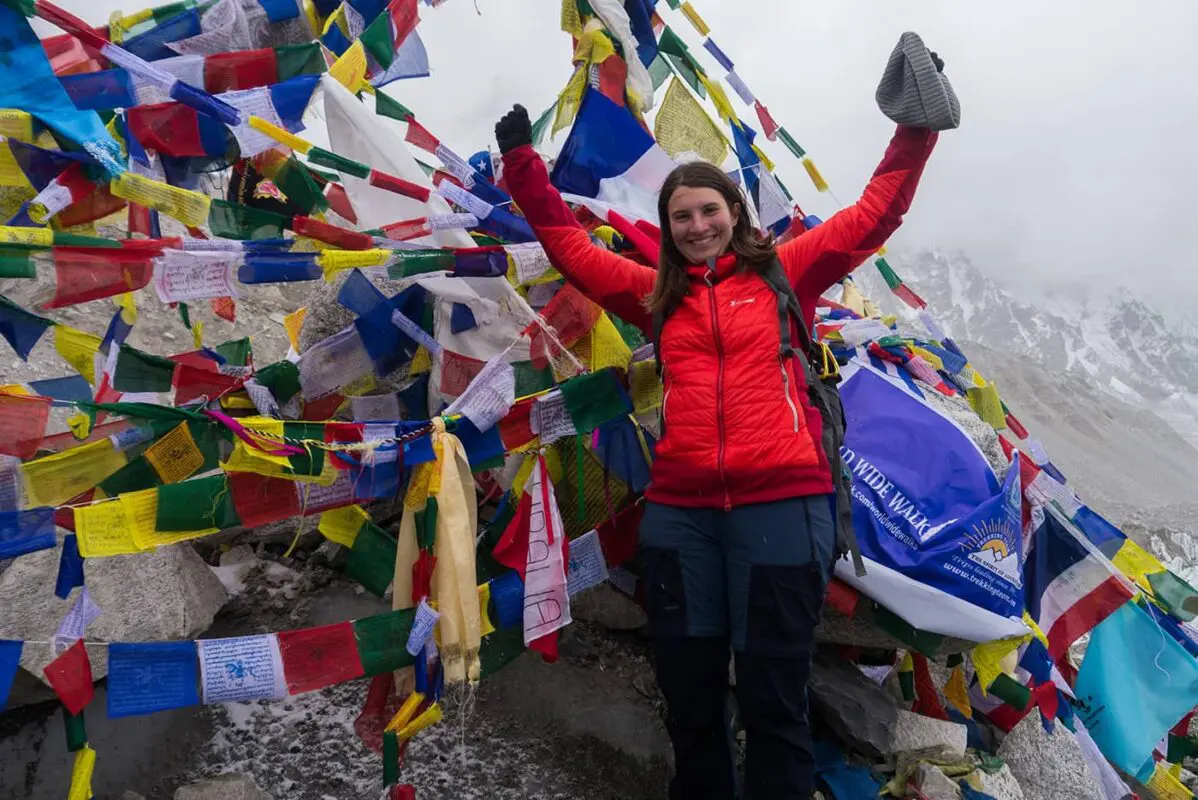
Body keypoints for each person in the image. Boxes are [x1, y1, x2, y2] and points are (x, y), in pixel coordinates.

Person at [493, 49, 947, 800]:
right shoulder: (654, 296)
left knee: (774, 700)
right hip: (682, 519)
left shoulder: (786, 273)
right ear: (668, 230)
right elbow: (571, 251)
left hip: (784, 508)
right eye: (682, 217)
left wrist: (917, 132)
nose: (698, 225)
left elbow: (875, 215)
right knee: (691, 697)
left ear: (734, 215)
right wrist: (522, 168)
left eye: (710, 211)